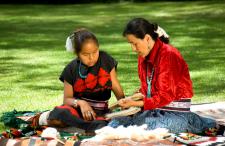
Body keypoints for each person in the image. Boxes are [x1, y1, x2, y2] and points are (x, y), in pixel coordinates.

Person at [108, 18, 217, 134]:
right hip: (154, 111)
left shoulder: (169, 55)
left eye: (135, 44)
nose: (133, 49)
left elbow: (166, 96)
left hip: (176, 114)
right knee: (117, 122)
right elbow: (147, 89)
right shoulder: (142, 56)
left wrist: (135, 103)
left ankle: (197, 123)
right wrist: (133, 98)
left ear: (147, 38)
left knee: (149, 128)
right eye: (131, 44)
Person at [45, 28, 125, 132]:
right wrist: (82, 103)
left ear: (98, 48)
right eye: (85, 54)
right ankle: (89, 126)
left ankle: (85, 126)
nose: (91, 57)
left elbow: (115, 85)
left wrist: (124, 103)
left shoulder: (106, 60)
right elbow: (67, 99)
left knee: (107, 122)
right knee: (57, 116)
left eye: (95, 52)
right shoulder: (70, 69)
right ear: (77, 54)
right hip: (77, 110)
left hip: (100, 112)